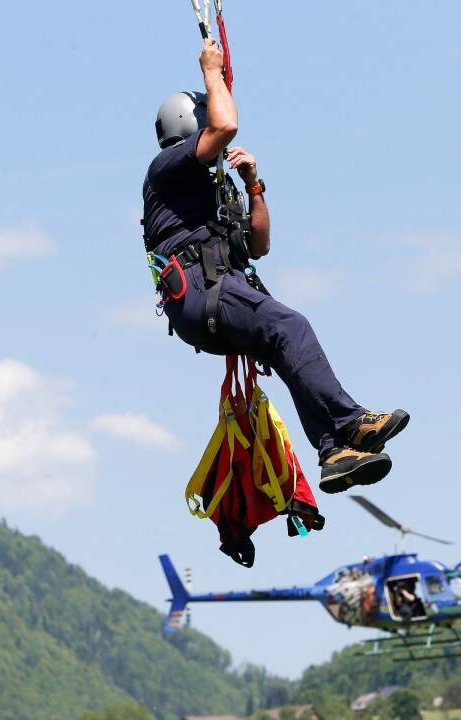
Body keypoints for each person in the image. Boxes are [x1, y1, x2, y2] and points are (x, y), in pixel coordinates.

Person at [142, 39, 408, 493]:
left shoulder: (206, 192)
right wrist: (211, 70)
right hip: (202, 293)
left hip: (213, 293)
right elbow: (226, 125)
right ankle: (353, 421)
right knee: (292, 326)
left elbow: (259, 246)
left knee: (287, 348)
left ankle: (333, 452)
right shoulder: (167, 168)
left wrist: (254, 187)